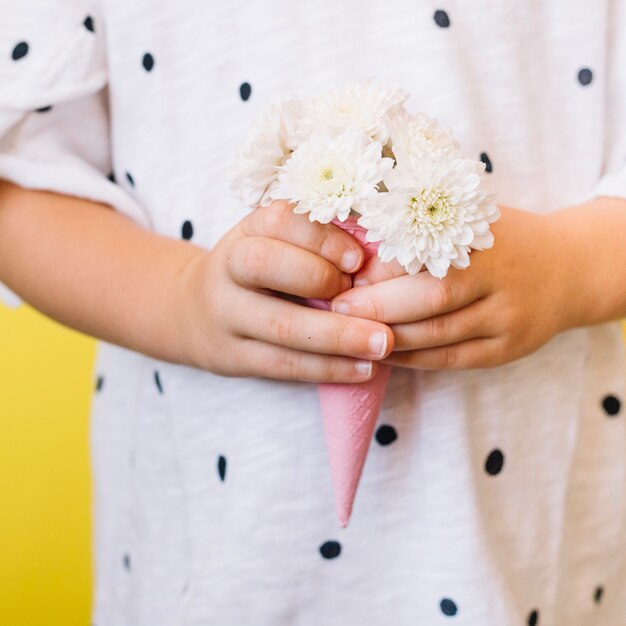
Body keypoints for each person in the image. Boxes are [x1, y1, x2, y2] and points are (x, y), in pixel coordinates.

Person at [1, 1, 625, 624]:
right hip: (215, 560)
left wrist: (570, 269)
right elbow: (17, 185)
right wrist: (182, 299)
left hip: (529, 555)